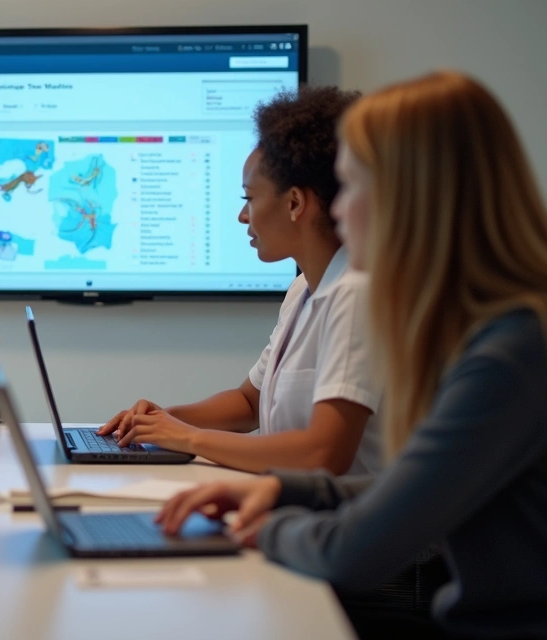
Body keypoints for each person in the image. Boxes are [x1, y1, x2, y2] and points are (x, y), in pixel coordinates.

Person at [157, 71, 547, 638]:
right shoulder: (499, 334)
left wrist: (254, 525)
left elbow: (354, 551)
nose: (338, 212)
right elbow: (421, 484)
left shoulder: (509, 357)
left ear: (408, 197)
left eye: (352, 186)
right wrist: (285, 489)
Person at [99, 86, 384, 475]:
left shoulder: (356, 293)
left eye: (249, 198)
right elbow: (249, 403)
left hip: (347, 527)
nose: (242, 216)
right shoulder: (304, 289)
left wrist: (188, 438)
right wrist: (165, 419)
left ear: (295, 203)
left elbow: (324, 455)